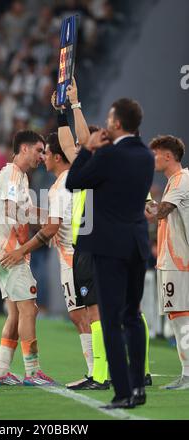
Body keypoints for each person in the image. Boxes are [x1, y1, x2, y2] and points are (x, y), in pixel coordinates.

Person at [1, 132, 110, 389]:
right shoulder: (70, 181)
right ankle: (101, 371)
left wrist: (21, 249)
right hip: (78, 253)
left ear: (58, 157)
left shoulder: (63, 184)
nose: (43, 158)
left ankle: (98, 372)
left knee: (82, 315)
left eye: (46, 153)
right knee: (85, 314)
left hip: (73, 257)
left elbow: (51, 228)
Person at [65, 97, 154, 409]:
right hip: (138, 244)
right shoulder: (146, 156)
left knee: (111, 319)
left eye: (109, 118)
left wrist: (88, 148)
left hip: (108, 247)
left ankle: (122, 392)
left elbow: (74, 182)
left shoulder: (108, 156)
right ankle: (140, 387)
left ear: (116, 124)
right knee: (132, 314)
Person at [0, 130, 55, 386]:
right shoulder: (14, 174)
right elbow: (11, 208)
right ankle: (33, 371)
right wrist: (26, 242)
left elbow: (23, 209)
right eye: (39, 150)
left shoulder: (15, 176)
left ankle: (2, 370)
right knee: (30, 309)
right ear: (24, 149)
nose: (42, 155)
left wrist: (51, 216)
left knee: (16, 314)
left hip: (2, 251)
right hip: (11, 252)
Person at [147, 135, 189, 390]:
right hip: (173, 259)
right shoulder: (175, 181)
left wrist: (142, 194)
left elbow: (159, 212)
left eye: (155, 154)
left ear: (168, 156)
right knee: (178, 315)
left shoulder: (181, 180)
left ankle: (187, 373)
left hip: (178, 259)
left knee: (180, 315)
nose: (152, 159)